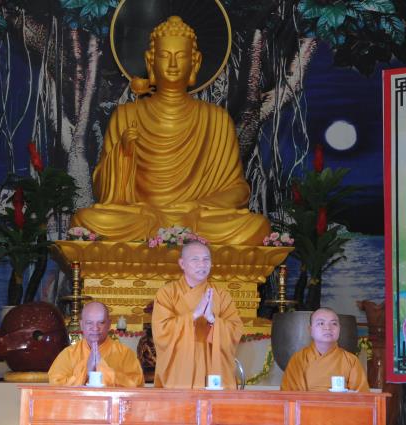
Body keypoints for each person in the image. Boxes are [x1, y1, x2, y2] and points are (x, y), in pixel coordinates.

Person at [71, 16, 270, 245]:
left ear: (195, 62)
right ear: (150, 61)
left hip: (195, 217)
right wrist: (123, 154)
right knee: (85, 220)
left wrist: (196, 206)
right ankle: (163, 235)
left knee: (257, 227)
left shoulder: (216, 119)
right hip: (142, 217)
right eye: (165, 56)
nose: (173, 65)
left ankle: (165, 238)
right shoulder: (126, 116)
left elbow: (238, 190)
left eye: (181, 56)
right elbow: (103, 191)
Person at [152, 241, 243, 388]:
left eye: (206, 259)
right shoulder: (167, 293)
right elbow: (161, 331)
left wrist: (212, 320)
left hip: (213, 365)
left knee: (213, 402)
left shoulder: (221, 295)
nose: (202, 264)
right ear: (182, 263)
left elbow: (236, 331)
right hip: (180, 366)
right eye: (195, 259)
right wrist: (193, 315)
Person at [48, 301, 144, 387]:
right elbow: (55, 384)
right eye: (89, 323)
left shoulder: (125, 354)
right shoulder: (69, 354)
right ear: (81, 325)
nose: (95, 328)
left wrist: (103, 370)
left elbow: (137, 384)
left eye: (101, 322)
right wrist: (86, 371)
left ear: (109, 324)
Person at [280, 307, 369, 392]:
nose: (328, 328)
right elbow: (288, 395)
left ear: (339, 329)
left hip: (340, 404)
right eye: (321, 323)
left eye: (334, 323)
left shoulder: (351, 361)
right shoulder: (298, 359)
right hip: (305, 403)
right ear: (310, 330)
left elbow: (362, 397)